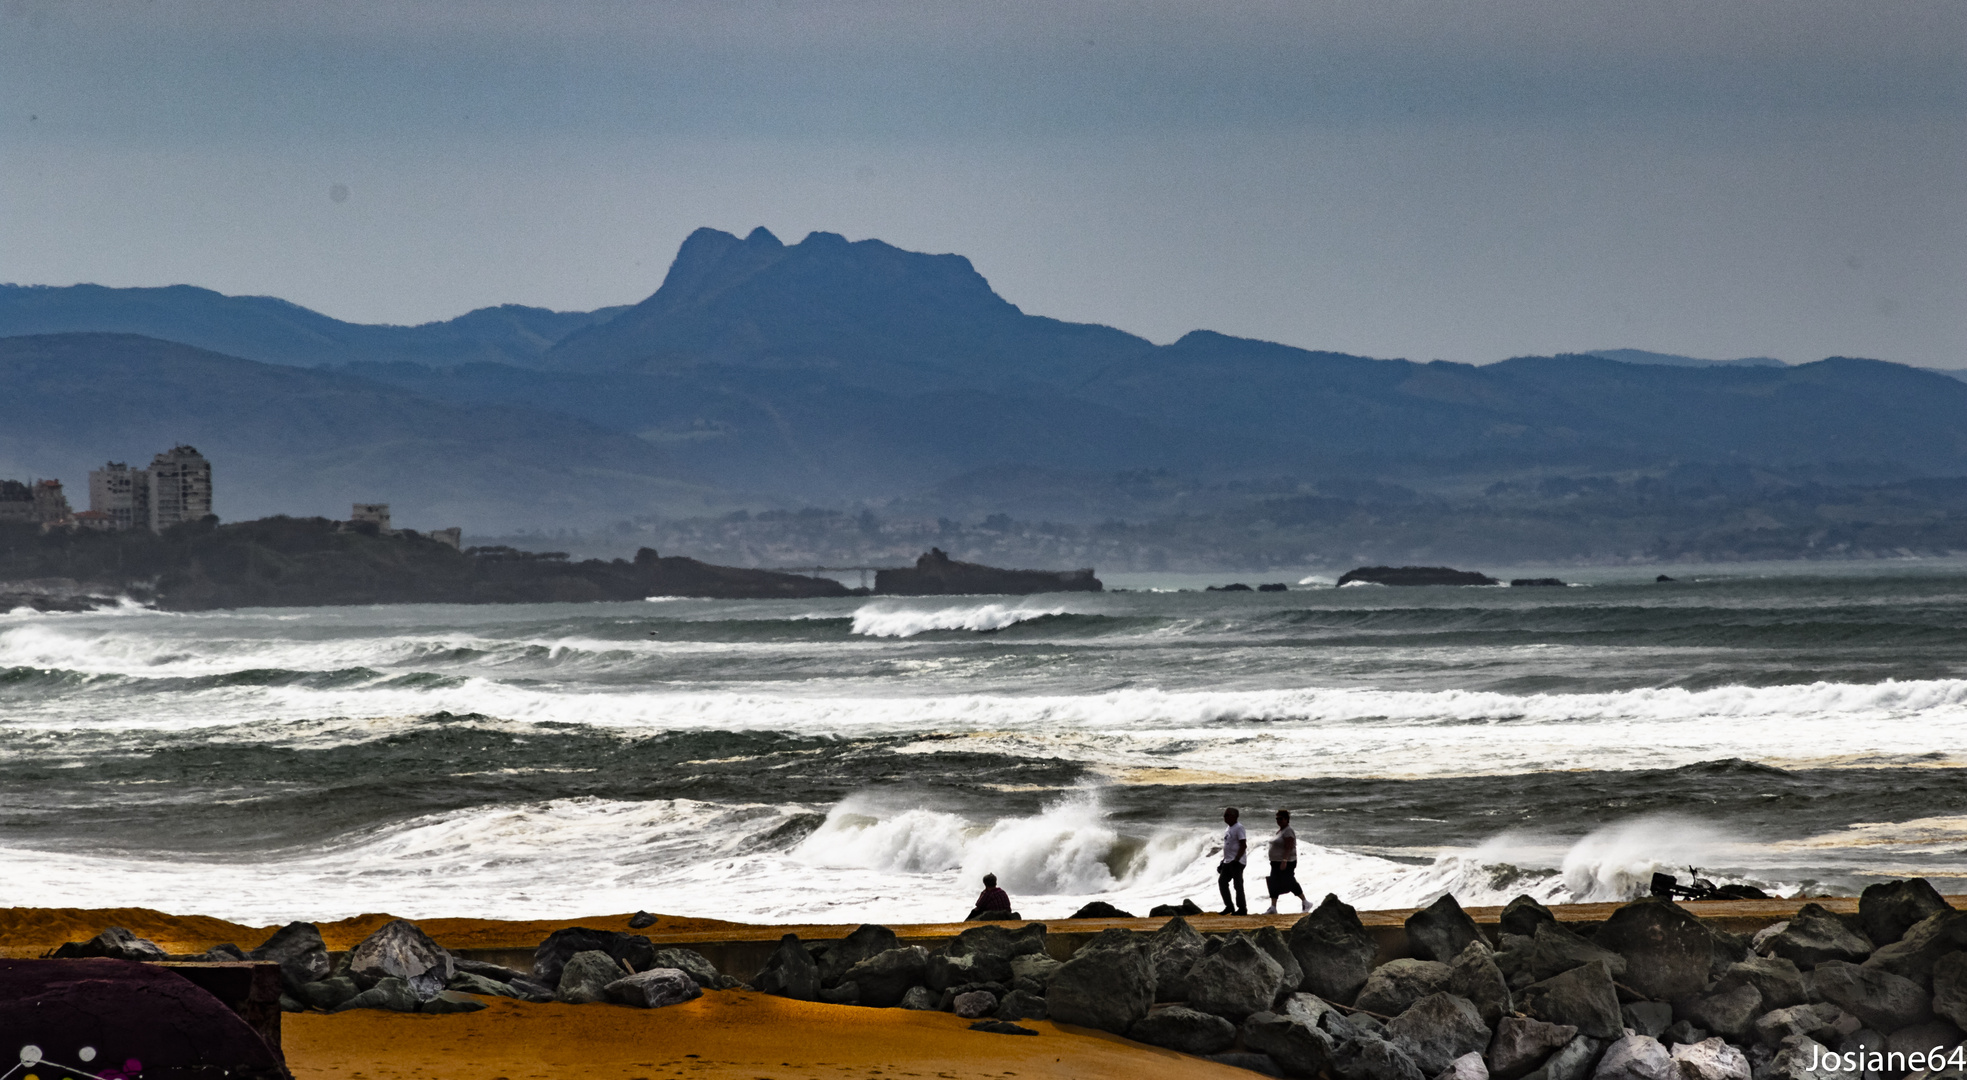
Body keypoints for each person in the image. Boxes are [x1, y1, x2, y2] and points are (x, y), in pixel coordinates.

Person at [1264, 809, 1309, 914]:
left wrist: (1284, 860)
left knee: (1289, 881)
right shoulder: (1280, 831)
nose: (1278, 820)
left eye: (1280, 819)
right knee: (1273, 882)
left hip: (1286, 862)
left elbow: (1289, 847)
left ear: (1286, 819)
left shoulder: (1288, 830)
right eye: (1277, 819)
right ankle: (1273, 907)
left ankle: (1305, 901)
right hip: (1275, 862)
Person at [1218, 807, 1248, 916]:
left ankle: (1242, 908)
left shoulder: (1239, 828)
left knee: (1238, 885)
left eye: (1227, 815)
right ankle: (1229, 906)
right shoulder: (1228, 828)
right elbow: (1228, 846)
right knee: (1222, 882)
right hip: (1227, 861)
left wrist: (1237, 859)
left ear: (1234, 816)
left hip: (1237, 861)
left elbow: (1243, 845)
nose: (1224, 817)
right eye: (1224, 815)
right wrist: (1223, 862)